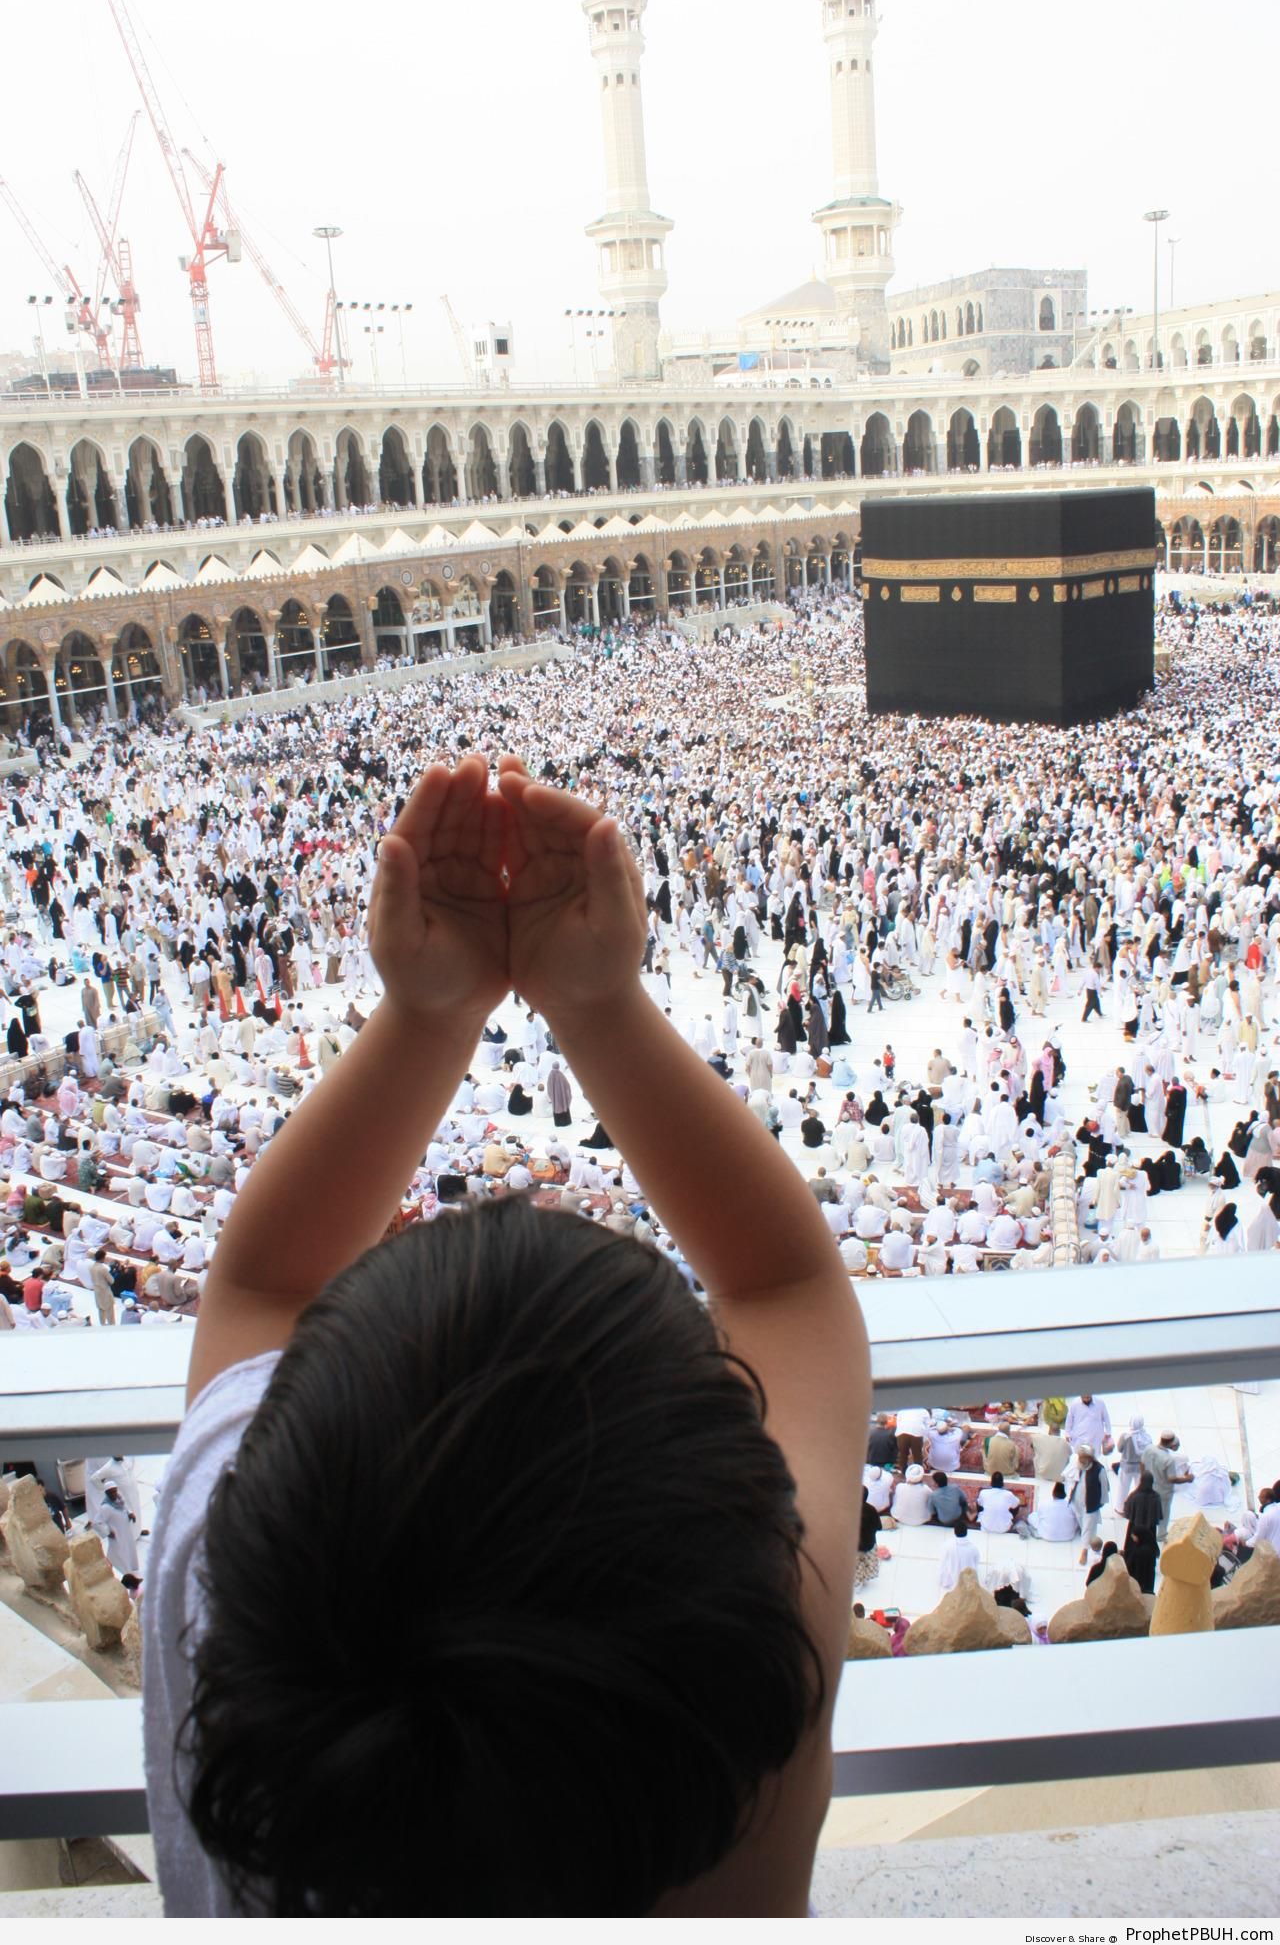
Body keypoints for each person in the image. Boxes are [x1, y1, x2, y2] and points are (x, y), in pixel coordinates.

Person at [141, 756, 871, 1919]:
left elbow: (259, 1285)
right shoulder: (746, 1758)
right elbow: (787, 1288)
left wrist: (428, 1018)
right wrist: (592, 1006)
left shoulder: (231, 1609)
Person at [1121, 1470, 1163, 1595]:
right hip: (1149, 1530)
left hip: (1135, 1529)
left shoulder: (1134, 1495)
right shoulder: (1156, 1497)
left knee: (1132, 1553)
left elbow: (1127, 1512)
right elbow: (1159, 1516)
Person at [1069, 1444, 1111, 1561]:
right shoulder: (1078, 1465)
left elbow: (1104, 1487)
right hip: (1077, 1500)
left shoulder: (1099, 1469)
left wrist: (1102, 1501)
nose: (1081, 1460)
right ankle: (1086, 1537)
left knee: (1088, 1526)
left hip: (1090, 1502)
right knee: (1082, 1521)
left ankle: (1085, 1550)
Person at [937, 1518, 981, 1593]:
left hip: (951, 1580)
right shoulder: (974, 1548)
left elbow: (943, 1562)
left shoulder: (947, 1546)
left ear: (954, 1532)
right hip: (968, 1581)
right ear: (967, 1532)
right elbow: (976, 1562)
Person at [975, 1470, 1021, 1535]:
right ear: (1002, 1483)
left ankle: (984, 1517)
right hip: (1004, 1528)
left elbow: (979, 1503)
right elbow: (1017, 1503)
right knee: (1015, 1505)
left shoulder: (983, 1493)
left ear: (991, 1483)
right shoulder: (1008, 1494)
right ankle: (1010, 1519)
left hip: (986, 1526)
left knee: (978, 1501)